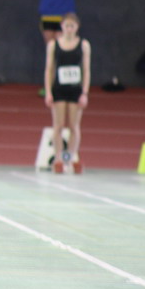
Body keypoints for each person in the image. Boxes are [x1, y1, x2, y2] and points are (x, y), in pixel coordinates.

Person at [44, 13, 91, 174]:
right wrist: (48, 92)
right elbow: (49, 69)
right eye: (66, 26)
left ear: (77, 27)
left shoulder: (84, 45)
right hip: (59, 89)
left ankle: (69, 158)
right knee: (58, 126)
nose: (69, 29)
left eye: (72, 26)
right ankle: (58, 159)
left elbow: (86, 70)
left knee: (74, 126)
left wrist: (85, 92)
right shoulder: (53, 45)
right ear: (62, 27)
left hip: (75, 90)